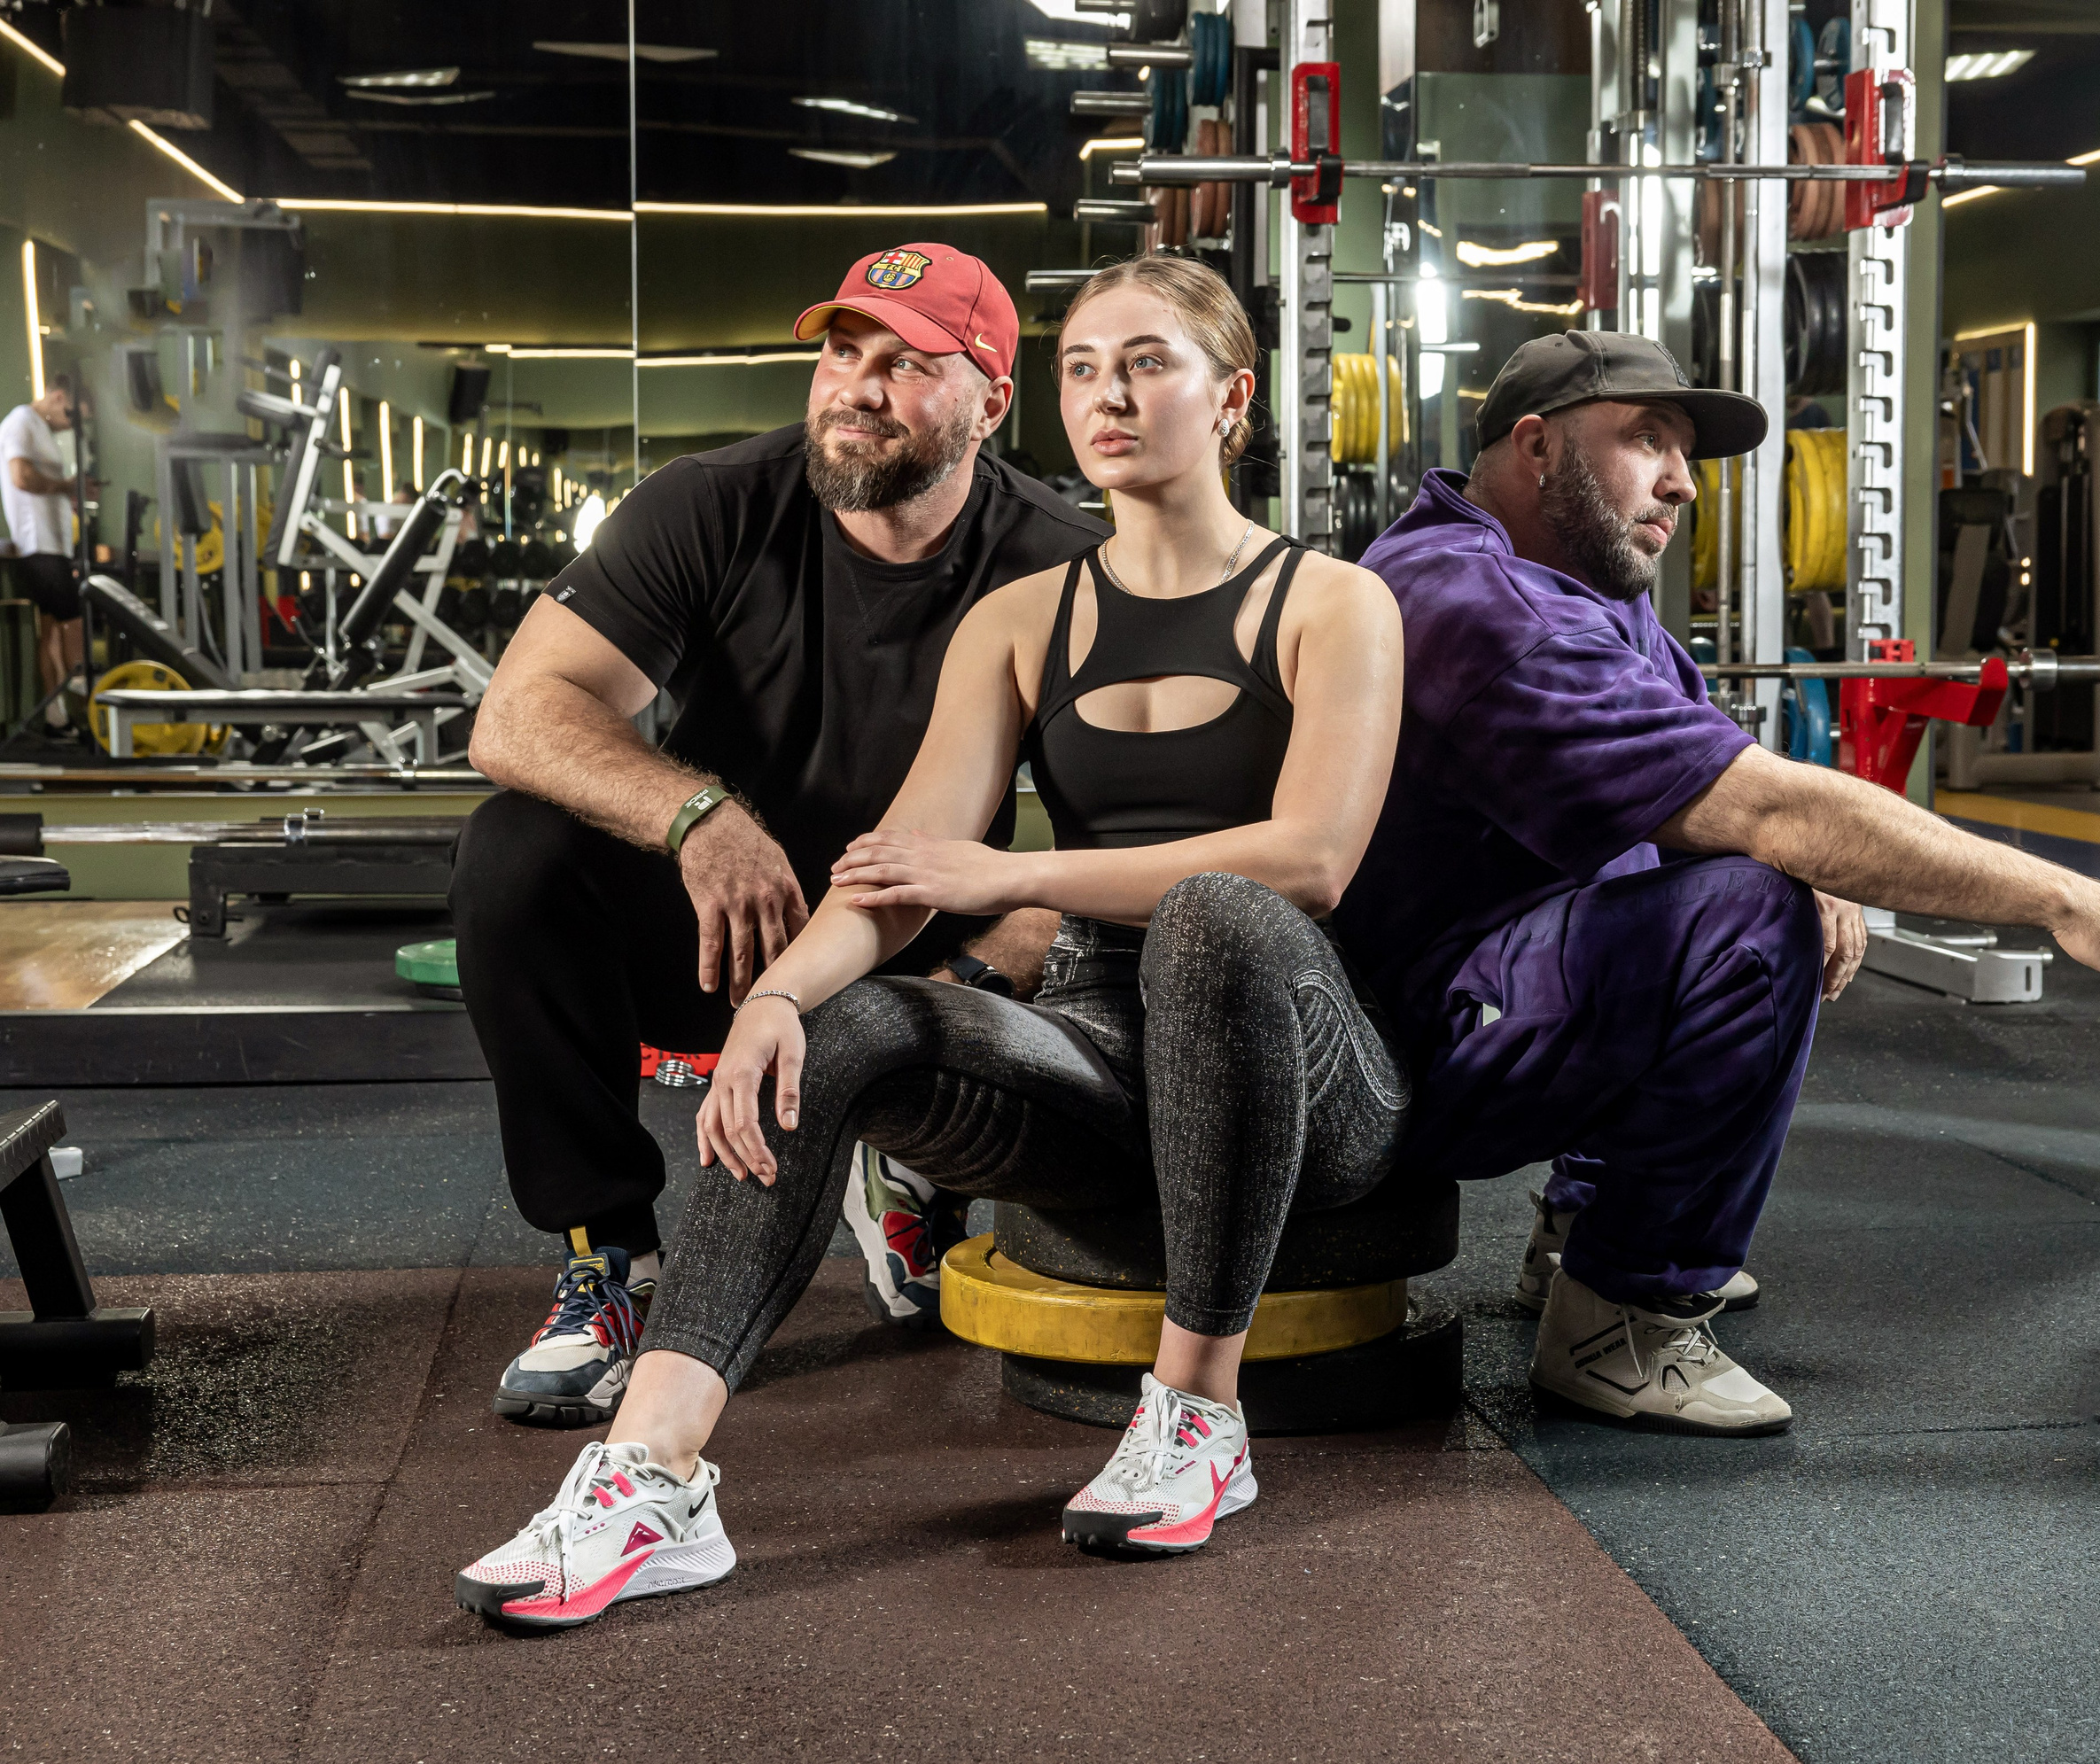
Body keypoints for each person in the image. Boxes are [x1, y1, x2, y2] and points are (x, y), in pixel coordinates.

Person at [455, 254, 1410, 1630]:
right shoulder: (1025, 618)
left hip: (1309, 1067)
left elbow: (1312, 861)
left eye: (1147, 363)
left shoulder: (1333, 601)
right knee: (841, 1025)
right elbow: (905, 869)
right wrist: (778, 999)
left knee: (1217, 916)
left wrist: (1017, 871)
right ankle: (647, 1471)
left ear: (1234, 397)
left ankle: (1198, 1415)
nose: (1111, 396)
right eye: (1087, 369)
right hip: (1099, 1048)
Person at [1336, 330, 2100, 1438]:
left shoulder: (1586, 579)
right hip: (1403, 1055)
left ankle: (1585, 1225)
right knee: (1750, 924)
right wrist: (2063, 897)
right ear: (1538, 447)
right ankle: (1620, 1321)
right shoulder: (1477, 604)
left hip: (1484, 983)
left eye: (1684, 450)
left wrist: (1783, 842)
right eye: (1646, 439)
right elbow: (1771, 812)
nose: (1683, 480)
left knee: (1746, 874)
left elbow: (1713, 770)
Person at [453, 245, 1108, 1429]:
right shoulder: (712, 504)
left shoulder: (1063, 561)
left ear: (991, 402)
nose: (857, 385)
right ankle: (611, 1257)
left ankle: (907, 1149)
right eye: (842, 353)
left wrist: (1007, 935)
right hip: (724, 933)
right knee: (513, 850)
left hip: (925, 967)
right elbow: (514, 716)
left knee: (1081, 914)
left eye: (907, 364)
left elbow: (1118, 832)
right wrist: (691, 812)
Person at [1, 371, 88, 738]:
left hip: (54, 543)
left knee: (51, 631)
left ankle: (57, 717)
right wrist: (66, 485)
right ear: (55, 398)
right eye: (71, 415)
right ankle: (87, 692)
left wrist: (70, 492)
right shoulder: (21, 421)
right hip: (39, 544)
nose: (71, 425)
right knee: (73, 621)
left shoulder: (42, 430)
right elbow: (20, 477)